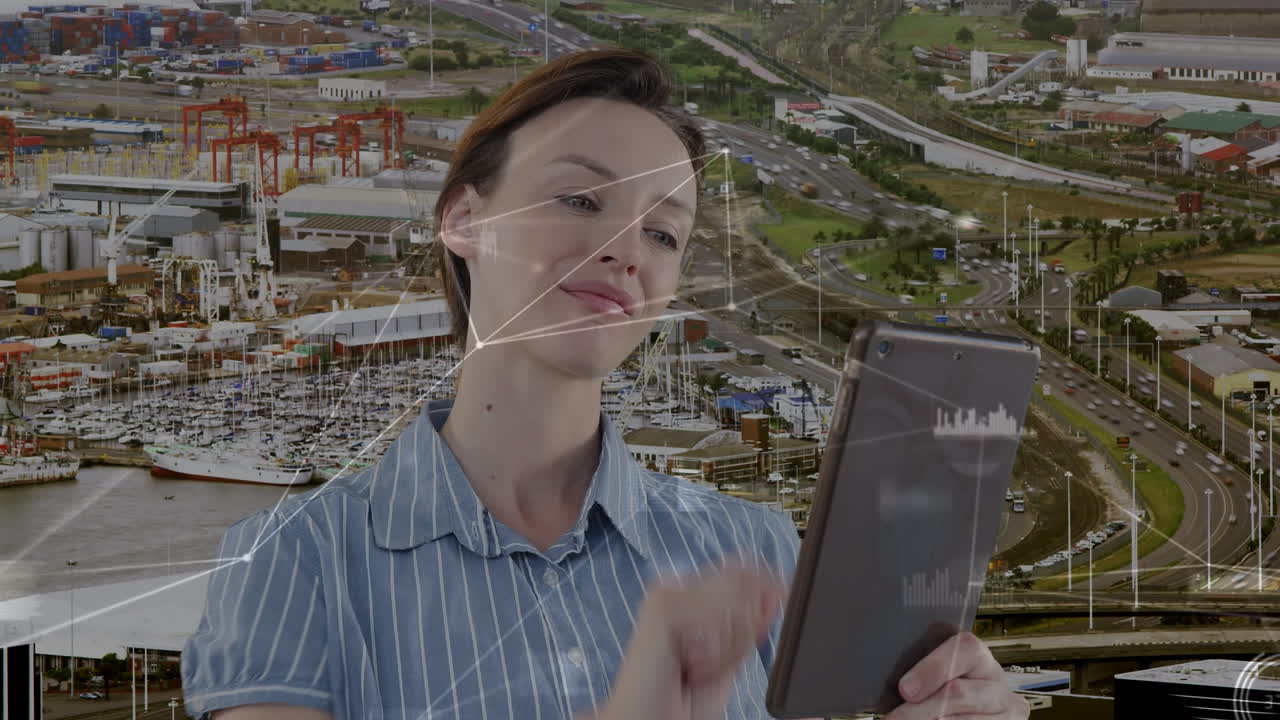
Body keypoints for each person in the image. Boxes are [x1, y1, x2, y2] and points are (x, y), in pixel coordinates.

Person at [180, 48, 1030, 720]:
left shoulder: (758, 551)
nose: (627, 250)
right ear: (464, 221)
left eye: (663, 233)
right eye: (582, 201)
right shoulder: (293, 562)